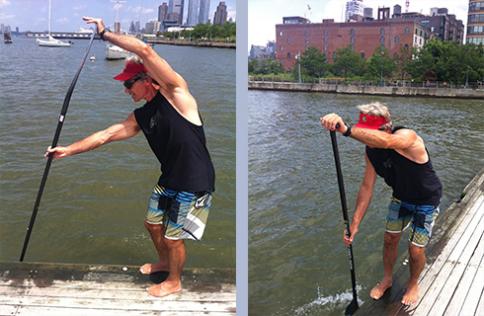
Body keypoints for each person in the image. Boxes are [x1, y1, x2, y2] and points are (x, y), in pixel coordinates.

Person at [46, 17, 215, 298]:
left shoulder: (177, 94)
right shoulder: (141, 115)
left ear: (146, 80)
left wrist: (104, 34)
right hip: (170, 177)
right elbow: (106, 135)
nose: (125, 91)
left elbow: (145, 51)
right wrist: (68, 149)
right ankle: (164, 263)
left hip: (194, 180)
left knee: (174, 238)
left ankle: (174, 281)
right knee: (152, 223)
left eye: (128, 85)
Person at [320, 102, 442, 306]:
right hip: (401, 197)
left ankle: (413, 283)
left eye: (368, 131)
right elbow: (367, 187)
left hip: (426, 201)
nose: (364, 137)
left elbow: (387, 142)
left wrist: (347, 130)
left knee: (415, 250)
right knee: (389, 239)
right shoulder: (371, 152)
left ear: (385, 127)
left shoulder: (408, 137)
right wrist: (355, 224)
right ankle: (387, 279)